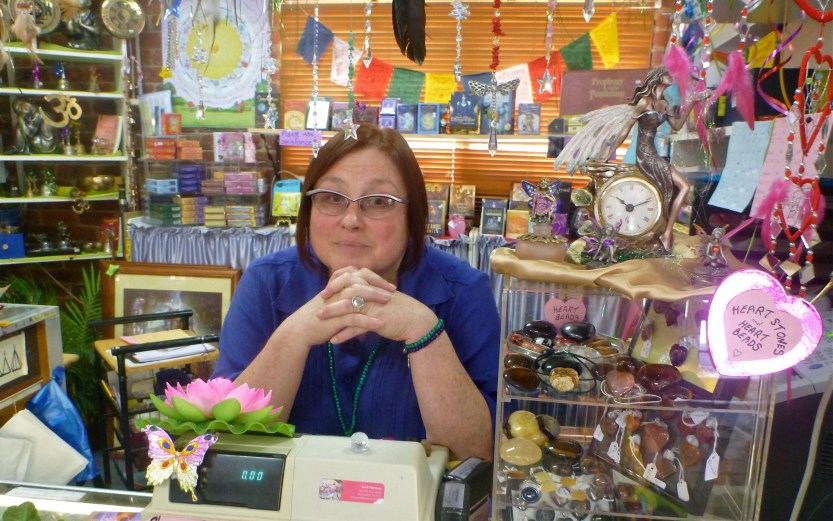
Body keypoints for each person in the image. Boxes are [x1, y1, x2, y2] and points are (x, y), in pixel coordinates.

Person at [214, 124, 499, 461]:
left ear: (414, 213)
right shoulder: (266, 282)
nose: (351, 220)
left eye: (378, 201)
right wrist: (293, 335)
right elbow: (224, 442)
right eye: (332, 198)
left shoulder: (464, 292)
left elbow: (479, 452)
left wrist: (424, 331)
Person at [609, 67, 693, 250]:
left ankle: (666, 231)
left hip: (653, 153)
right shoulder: (644, 102)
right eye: (666, 74)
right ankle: (666, 233)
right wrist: (609, 154)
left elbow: (677, 126)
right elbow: (626, 129)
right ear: (657, 78)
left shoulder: (665, 104)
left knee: (683, 188)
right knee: (683, 186)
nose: (671, 76)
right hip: (644, 154)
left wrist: (693, 103)